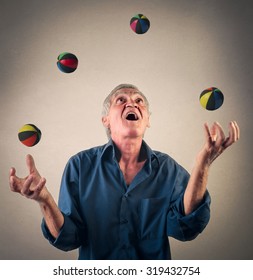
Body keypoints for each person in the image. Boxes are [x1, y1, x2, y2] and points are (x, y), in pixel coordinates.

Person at [9, 84, 240, 259]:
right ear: (106, 120)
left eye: (139, 101)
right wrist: (44, 200)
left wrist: (203, 165)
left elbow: (185, 228)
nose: (132, 103)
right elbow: (69, 238)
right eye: (121, 100)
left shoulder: (167, 169)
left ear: (147, 120)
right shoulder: (80, 166)